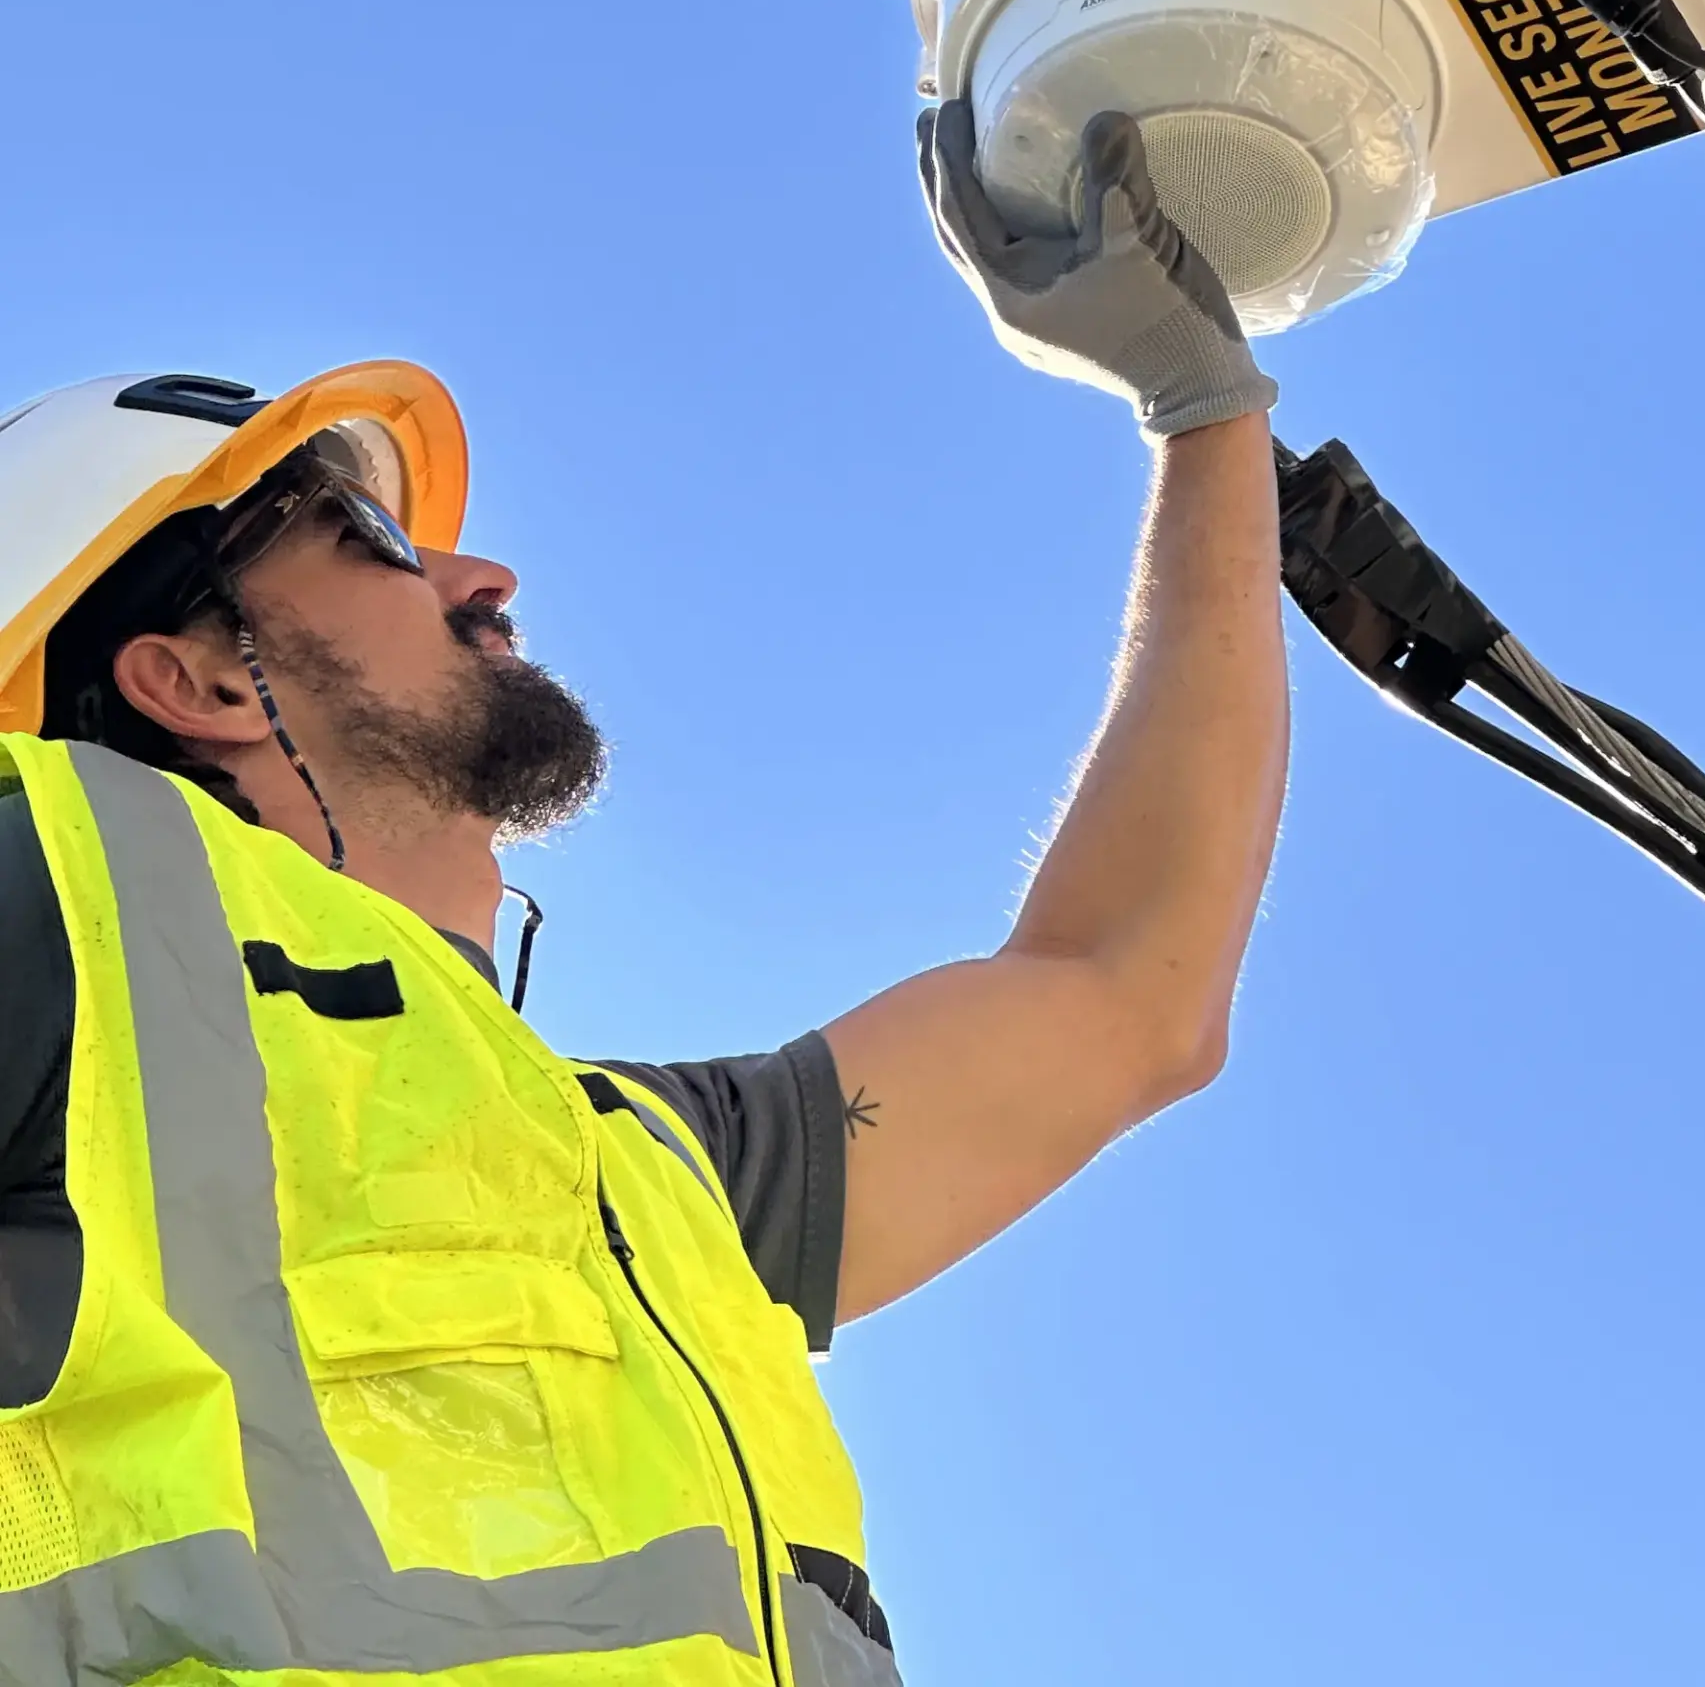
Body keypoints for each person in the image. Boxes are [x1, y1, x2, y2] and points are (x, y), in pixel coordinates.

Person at [0, 105, 1287, 1687]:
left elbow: (1130, 992)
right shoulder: (59, 887)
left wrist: (1206, 415)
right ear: (196, 677)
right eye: (372, 536)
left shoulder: (645, 1175)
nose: (483, 579)